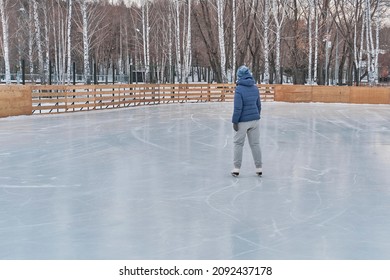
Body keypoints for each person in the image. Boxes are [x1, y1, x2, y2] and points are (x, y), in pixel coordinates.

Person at [231, 65, 262, 177]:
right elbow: (258, 105)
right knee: (255, 144)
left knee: (238, 144)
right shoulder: (255, 88)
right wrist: (257, 116)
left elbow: (238, 108)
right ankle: (259, 168)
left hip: (243, 121)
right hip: (255, 120)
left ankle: (236, 168)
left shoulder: (239, 89)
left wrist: (235, 121)